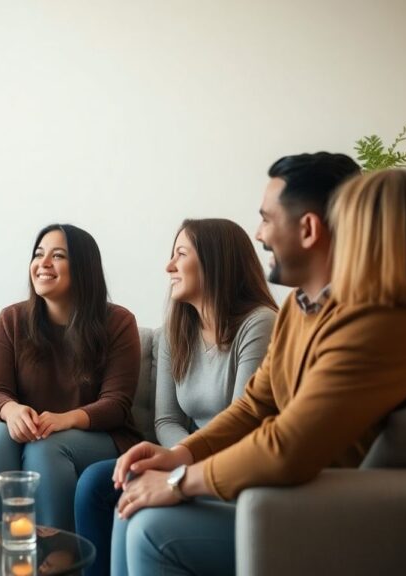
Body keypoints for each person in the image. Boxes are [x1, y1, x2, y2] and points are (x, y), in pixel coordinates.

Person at [111, 159, 406, 576]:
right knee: (131, 510)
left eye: (348, 220)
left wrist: (180, 480)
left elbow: (289, 445)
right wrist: (180, 455)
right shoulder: (303, 309)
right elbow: (256, 405)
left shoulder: (391, 321)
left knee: (149, 526)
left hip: (339, 509)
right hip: (302, 494)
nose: (259, 233)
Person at [74, 218, 277, 576]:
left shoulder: (258, 324)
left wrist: (182, 465)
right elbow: (166, 420)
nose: (168, 266)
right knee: (96, 482)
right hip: (190, 453)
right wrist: (176, 457)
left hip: (233, 464)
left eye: (180, 254)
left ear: (216, 263)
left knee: (132, 497)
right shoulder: (175, 331)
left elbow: (245, 420)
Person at [0, 223, 141, 531]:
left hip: (98, 438)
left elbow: (117, 404)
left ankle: (58, 556)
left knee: (46, 446)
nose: (44, 263)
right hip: (32, 432)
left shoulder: (118, 322)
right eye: (39, 254)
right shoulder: (11, 319)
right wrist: (11, 411)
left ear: (83, 267)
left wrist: (66, 419)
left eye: (58, 255)